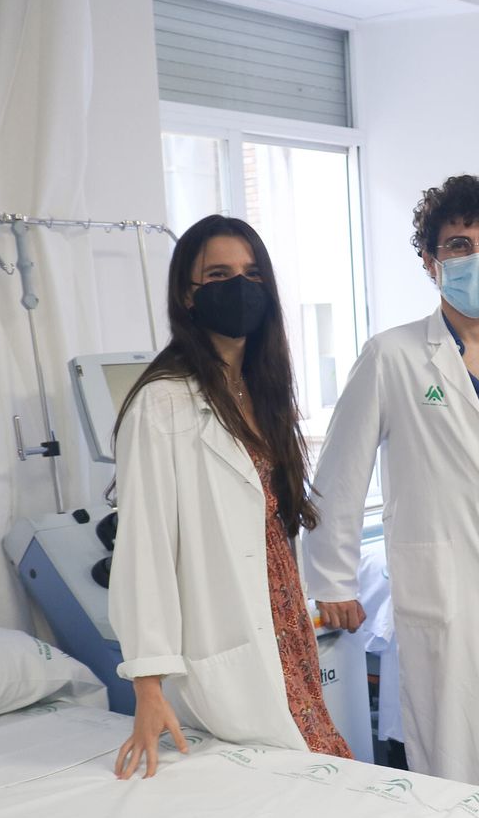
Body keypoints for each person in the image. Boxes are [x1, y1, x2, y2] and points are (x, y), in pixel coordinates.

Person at [302, 174, 479, 796]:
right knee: (462, 784)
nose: (476, 257)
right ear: (431, 262)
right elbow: (340, 477)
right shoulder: (393, 356)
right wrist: (332, 581)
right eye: (458, 245)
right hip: (447, 594)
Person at [112, 215, 351, 778]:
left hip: (284, 618)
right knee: (301, 777)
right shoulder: (162, 403)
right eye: (218, 275)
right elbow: (145, 553)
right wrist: (149, 687)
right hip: (231, 630)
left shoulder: (263, 389)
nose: (239, 288)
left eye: (251, 274)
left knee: (322, 772)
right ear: (187, 295)